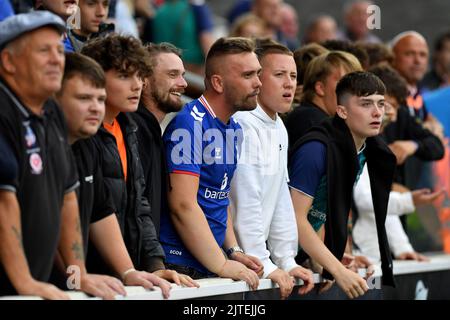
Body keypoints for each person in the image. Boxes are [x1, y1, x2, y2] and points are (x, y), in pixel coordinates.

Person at [0, 11, 124, 299]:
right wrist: (24, 281)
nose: (58, 59)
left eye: (59, 49)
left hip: (31, 290)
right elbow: (3, 202)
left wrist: (75, 276)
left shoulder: (52, 112)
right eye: (44, 51)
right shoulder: (4, 111)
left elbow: (67, 196)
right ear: (8, 62)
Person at [55, 52, 178, 296]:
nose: (95, 107)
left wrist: (130, 271)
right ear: (54, 97)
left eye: (100, 99)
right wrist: (76, 275)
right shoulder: (46, 143)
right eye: (84, 98)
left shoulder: (109, 135)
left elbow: (102, 212)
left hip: (88, 282)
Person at [81, 34, 194, 287]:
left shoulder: (128, 127)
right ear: (94, 79)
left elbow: (139, 205)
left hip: (128, 276)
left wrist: (154, 264)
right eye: (124, 76)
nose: (136, 85)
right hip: (95, 280)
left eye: (138, 76)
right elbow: (92, 213)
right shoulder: (83, 136)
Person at [160, 37, 263, 288]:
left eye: (258, 73)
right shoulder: (189, 123)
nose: (259, 83)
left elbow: (219, 196)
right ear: (218, 82)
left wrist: (233, 250)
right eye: (248, 75)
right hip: (182, 266)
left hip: (209, 261)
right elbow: (183, 205)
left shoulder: (234, 127)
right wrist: (221, 264)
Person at [288, 71, 396, 299]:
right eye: (366, 104)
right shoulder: (316, 149)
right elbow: (294, 217)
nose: (377, 112)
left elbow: (320, 212)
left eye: (381, 104)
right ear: (342, 111)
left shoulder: (362, 149)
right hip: (265, 259)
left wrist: (325, 259)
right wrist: (336, 270)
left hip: (298, 256)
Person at [229, 39, 314, 299]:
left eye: (293, 76)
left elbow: (279, 198)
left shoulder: (278, 126)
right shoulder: (242, 122)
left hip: (255, 264)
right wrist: (264, 263)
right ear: (257, 78)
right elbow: (245, 200)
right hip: (235, 263)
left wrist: (287, 260)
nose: (289, 83)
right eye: (279, 75)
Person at [353, 64, 445, 263]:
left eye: (395, 107)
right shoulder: (353, 141)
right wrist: (409, 200)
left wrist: (402, 247)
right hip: (353, 255)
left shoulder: (373, 140)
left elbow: (381, 201)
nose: (392, 113)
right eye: (387, 105)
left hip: (370, 255)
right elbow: (366, 200)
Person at [131, 42, 187, 240]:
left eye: (183, 75)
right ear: (144, 80)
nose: (183, 83)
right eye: (173, 75)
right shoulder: (135, 130)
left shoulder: (151, 129)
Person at [285, 50, 362, 146]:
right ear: (320, 88)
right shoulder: (309, 119)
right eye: (345, 83)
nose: (355, 90)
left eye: (356, 83)